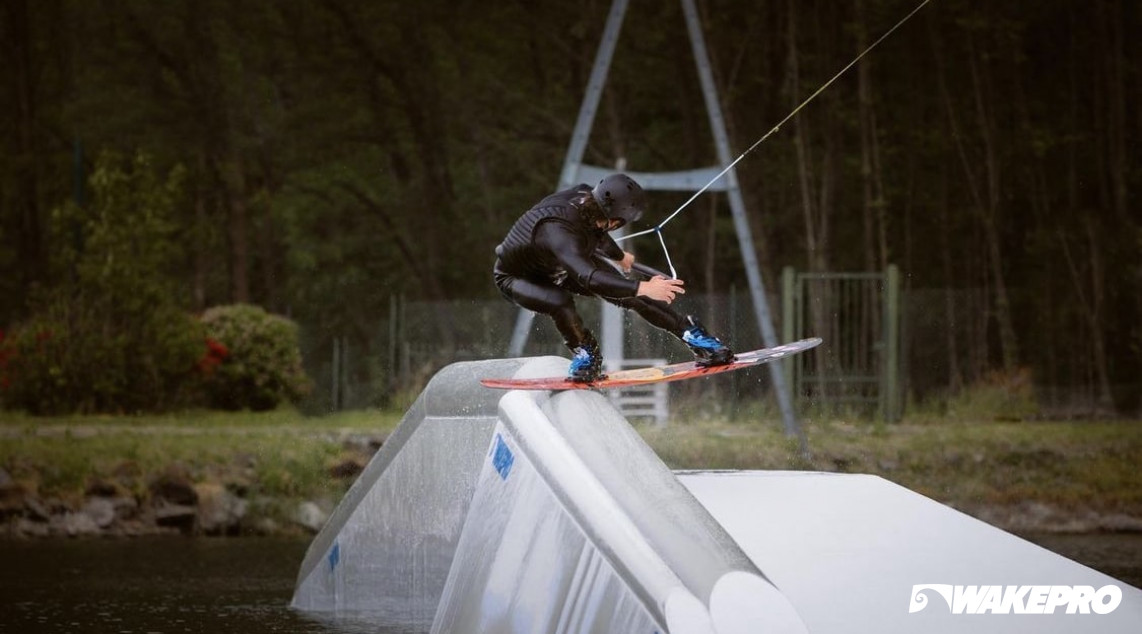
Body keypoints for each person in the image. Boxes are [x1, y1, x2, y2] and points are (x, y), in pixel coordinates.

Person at [493, 173, 734, 382]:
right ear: (617, 222)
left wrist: (618, 257)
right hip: (517, 277)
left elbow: (596, 231)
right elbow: (590, 277)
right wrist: (642, 286)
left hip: (560, 263)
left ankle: (692, 336)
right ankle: (586, 353)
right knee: (559, 301)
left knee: (630, 295)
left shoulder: (590, 199)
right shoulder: (559, 231)